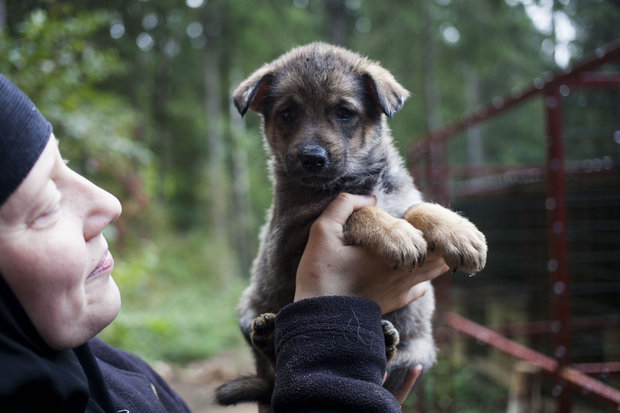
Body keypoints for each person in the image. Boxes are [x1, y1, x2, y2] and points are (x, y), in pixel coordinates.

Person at [0, 73, 449, 412]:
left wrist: (307, 389)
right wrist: (331, 366)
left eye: (69, 166)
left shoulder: (119, 373)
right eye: (43, 206)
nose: (108, 204)